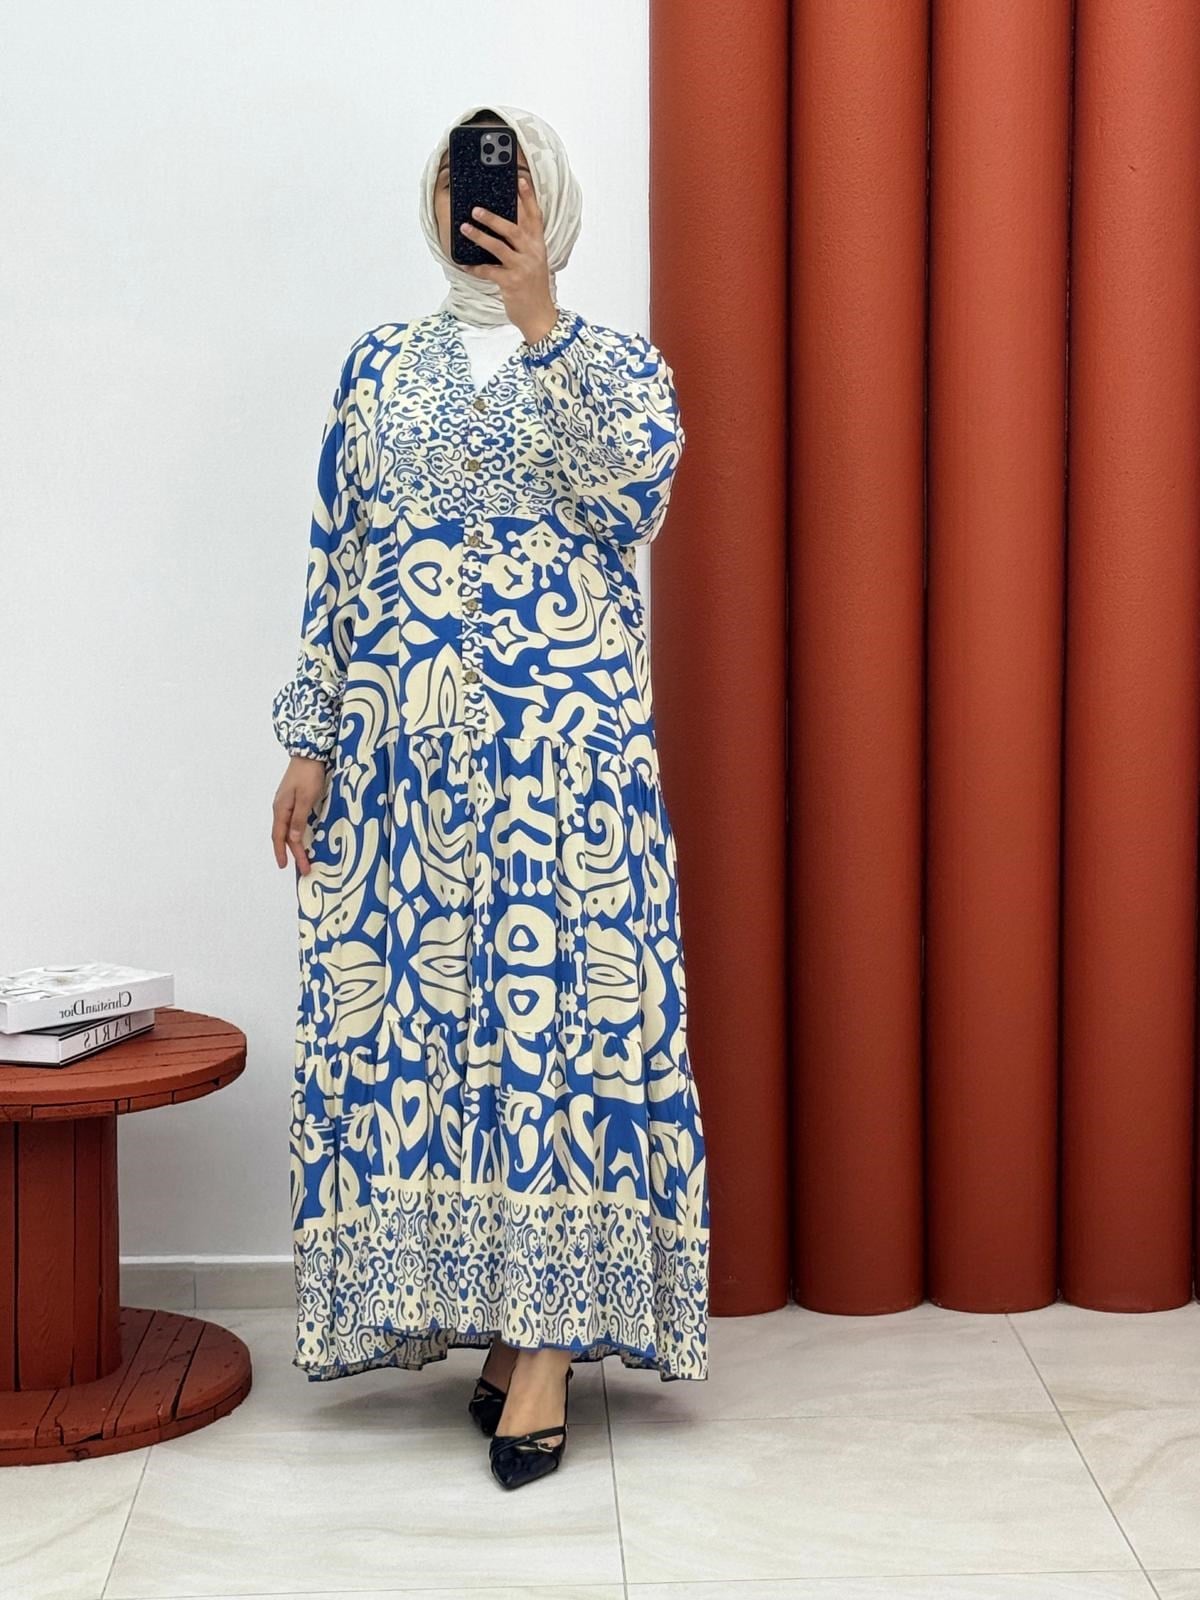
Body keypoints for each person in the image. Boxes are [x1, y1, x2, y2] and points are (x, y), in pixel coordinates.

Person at [269, 101, 709, 1490]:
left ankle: (550, 1352)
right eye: (470, 182)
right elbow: (339, 553)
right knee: (437, 1036)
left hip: (563, 770)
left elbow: (636, 500)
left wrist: (543, 321)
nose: (488, 203)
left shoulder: (613, 365)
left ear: (549, 201)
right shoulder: (377, 368)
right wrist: (310, 738)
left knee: (560, 1033)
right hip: (404, 768)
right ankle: (506, 1325)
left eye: (511, 183)